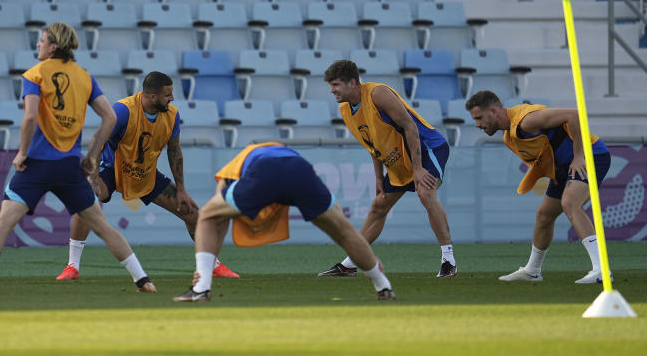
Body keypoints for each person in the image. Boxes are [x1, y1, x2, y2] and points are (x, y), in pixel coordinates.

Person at [0, 22, 157, 295]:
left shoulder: (35, 74)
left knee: (4, 222)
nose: (38, 44)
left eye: (41, 40)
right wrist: (91, 156)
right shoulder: (84, 77)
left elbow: (30, 117)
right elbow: (110, 117)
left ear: (53, 46)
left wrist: (22, 153)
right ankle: (143, 280)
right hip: (70, 166)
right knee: (102, 226)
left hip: (38, 166)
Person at [55, 71, 239, 281]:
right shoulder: (123, 111)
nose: (171, 99)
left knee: (191, 212)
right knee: (85, 203)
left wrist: (181, 189)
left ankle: (212, 265)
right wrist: (94, 173)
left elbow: (174, 151)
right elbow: (99, 139)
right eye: (167, 95)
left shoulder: (172, 116)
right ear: (151, 96)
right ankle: (72, 267)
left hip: (145, 174)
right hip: (113, 170)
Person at [173, 142, 395, 302]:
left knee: (209, 215)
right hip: (301, 170)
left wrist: (205, 266)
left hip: (267, 171)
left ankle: (201, 288)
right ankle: (382, 284)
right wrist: (367, 257)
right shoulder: (282, 152)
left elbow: (218, 214)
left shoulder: (234, 166)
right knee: (344, 232)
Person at [319, 59, 458, 278]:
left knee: (425, 193)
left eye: (336, 84)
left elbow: (409, 126)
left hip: (427, 148)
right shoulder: (345, 109)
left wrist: (418, 168)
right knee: (378, 207)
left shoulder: (377, 94)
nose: (332, 90)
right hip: (397, 160)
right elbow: (373, 143)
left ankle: (448, 261)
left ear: (352, 83)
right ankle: (351, 264)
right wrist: (378, 177)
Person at [465, 90, 612, 284]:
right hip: (563, 168)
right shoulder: (510, 137)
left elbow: (574, 114)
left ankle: (602, 269)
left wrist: (578, 157)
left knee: (570, 203)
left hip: (590, 156)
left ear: (493, 111)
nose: (477, 124)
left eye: (479, 118)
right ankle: (532, 271)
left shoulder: (526, 120)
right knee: (544, 216)